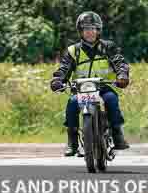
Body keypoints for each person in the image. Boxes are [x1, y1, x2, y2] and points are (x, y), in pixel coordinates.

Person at [50, 11, 130, 156]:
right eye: (86, 29)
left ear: (98, 30)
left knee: (112, 100)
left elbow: (120, 63)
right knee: (72, 103)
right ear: (80, 31)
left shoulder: (108, 47)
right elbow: (63, 68)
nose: (90, 32)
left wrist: (122, 75)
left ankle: (117, 134)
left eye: (93, 28)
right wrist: (58, 80)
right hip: (81, 89)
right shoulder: (73, 51)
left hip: (104, 87)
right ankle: (72, 141)